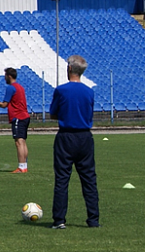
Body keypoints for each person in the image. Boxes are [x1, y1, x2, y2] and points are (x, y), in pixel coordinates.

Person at [48, 55, 99, 229]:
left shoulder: (61, 90)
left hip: (66, 136)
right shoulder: (89, 91)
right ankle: (93, 220)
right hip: (85, 137)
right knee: (89, 179)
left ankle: (59, 220)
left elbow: (53, 113)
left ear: (69, 68)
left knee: (62, 179)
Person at [0, 68, 30, 173]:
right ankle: (24, 166)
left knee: (19, 142)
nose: (4, 78)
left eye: (5, 75)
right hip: (25, 116)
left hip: (18, 116)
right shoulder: (21, 87)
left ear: (9, 76)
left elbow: (4, 104)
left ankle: (21, 167)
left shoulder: (11, 88)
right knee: (23, 141)